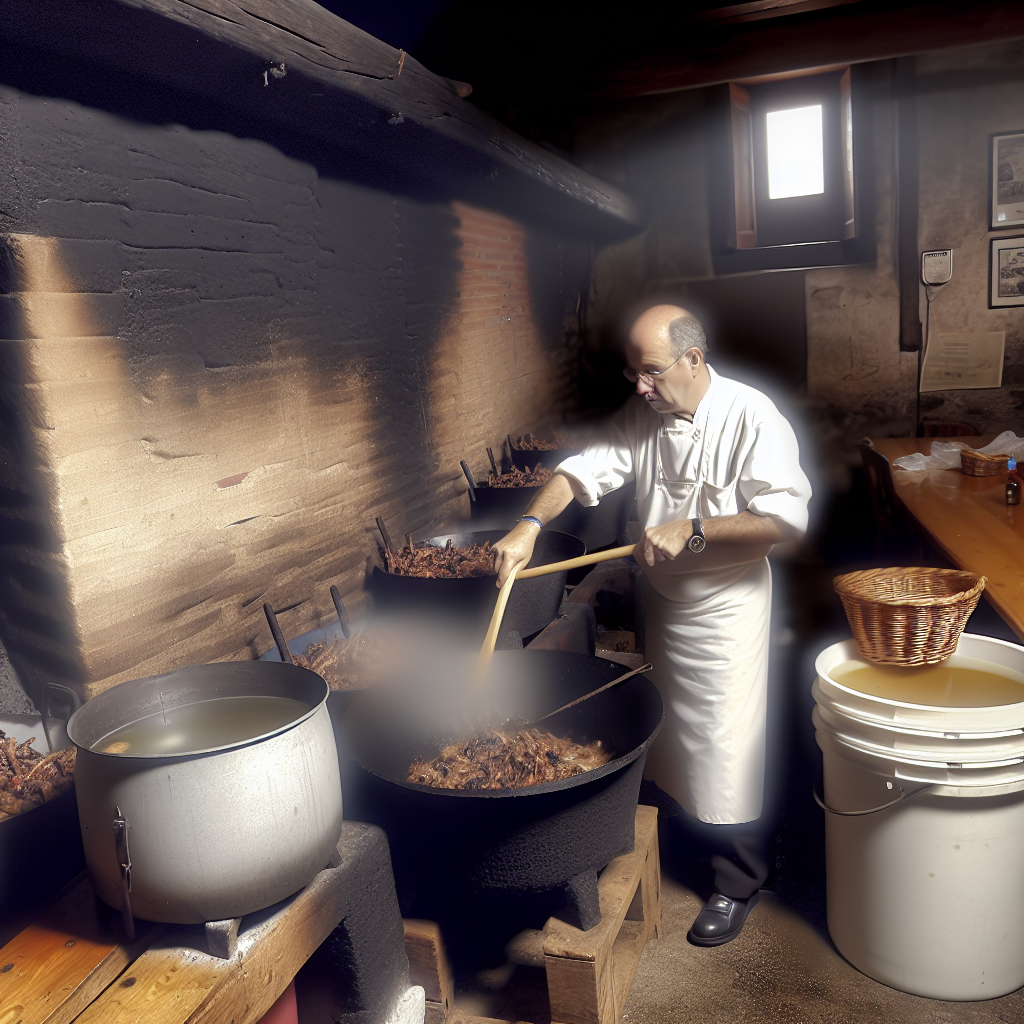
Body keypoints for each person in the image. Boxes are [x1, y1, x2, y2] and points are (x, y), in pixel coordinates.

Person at [492, 304, 811, 946]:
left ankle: (739, 879)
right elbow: (583, 468)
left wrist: (693, 530)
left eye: (652, 372)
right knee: (675, 738)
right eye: (634, 373)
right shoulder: (646, 414)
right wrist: (528, 525)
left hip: (727, 609)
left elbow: (785, 521)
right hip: (666, 605)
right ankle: (693, 843)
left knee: (727, 750)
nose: (640, 386)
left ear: (694, 359)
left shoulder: (753, 416)